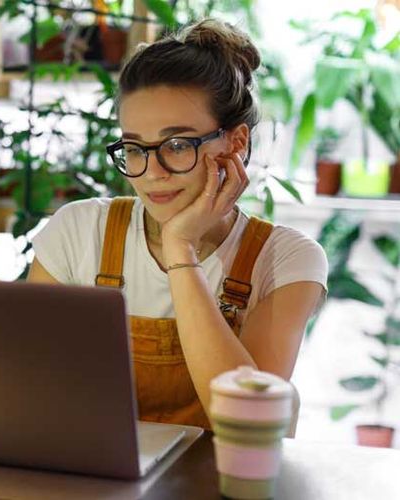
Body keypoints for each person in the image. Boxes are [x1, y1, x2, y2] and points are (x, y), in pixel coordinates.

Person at [28, 19, 328, 429]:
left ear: (235, 143)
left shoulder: (286, 260)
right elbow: (29, 387)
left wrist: (180, 250)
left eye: (177, 145)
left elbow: (248, 421)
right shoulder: (79, 230)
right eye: (135, 148)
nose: (151, 172)